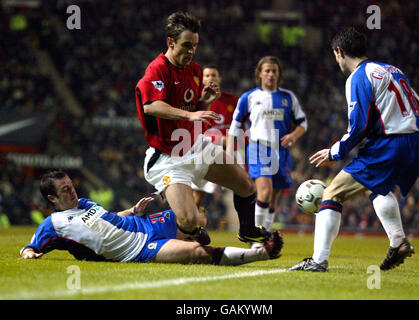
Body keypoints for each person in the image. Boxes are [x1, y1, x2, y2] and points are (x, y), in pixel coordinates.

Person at [289, 27, 419, 272]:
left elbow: (359, 126)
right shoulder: (394, 70)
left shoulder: (357, 76)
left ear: (339, 51)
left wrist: (334, 151)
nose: (336, 61)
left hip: (391, 144)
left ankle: (318, 261)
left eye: (335, 56)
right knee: (378, 188)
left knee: (332, 192)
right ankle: (398, 242)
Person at [135, 12, 273, 246]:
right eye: (186, 45)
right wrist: (191, 113)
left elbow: (193, 110)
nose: (191, 51)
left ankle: (248, 230)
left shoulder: (195, 71)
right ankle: (190, 232)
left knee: (246, 186)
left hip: (196, 147)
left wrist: (205, 103)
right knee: (189, 219)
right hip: (168, 158)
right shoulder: (157, 70)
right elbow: (152, 106)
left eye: (195, 46)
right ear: (171, 42)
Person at [21, 170, 283, 265]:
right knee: (197, 252)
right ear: (52, 199)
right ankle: (261, 253)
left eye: (71, 184)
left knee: (195, 215)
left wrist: (133, 211)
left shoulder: (86, 202)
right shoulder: (53, 224)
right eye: (65, 190)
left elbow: (107, 217)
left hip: (142, 223)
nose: (72, 190)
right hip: (140, 248)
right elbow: (28, 248)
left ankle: (192, 229)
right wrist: (29, 253)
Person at [227, 56, 308, 240]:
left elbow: (303, 123)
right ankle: (253, 234)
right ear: (260, 74)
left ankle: (266, 235)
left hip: (281, 151)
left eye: (274, 71)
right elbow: (235, 127)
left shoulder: (288, 98)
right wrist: (230, 153)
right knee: (264, 192)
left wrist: (293, 136)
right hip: (258, 147)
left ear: (278, 74)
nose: (271, 74)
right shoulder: (249, 97)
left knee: (274, 197)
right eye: (267, 71)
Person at [192, 65, 239, 209]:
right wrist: (218, 139)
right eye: (207, 75)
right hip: (204, 151)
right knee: (198, 195)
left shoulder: (231, 100)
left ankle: (247, 226)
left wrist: (233, 143)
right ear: (201, 79)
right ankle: (188, 226)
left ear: (219, 79)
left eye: (214, 75)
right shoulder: (196, 101)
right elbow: (193, 129)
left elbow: (239, 126)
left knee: (243, 187)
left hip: (230, 151)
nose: (211, 78)